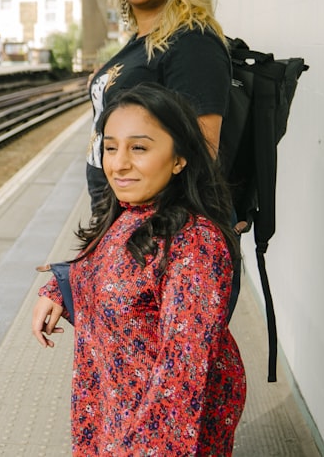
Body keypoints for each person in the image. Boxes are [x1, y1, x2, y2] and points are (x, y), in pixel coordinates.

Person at [32, 82, 245, 456]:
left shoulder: (194, 245)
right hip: (115, 412)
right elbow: (112, 277)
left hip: (151, 434)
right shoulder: (129, 216)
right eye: (111, 147)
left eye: (139, 148)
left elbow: (180, 379)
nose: (118, 163)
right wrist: (59, 288)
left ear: (180, 158)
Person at [86, 0, 230, 210]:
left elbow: (202, 152)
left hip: (155, 229)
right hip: (118, 219)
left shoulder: (192, 42)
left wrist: (146, 231)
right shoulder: (142, 40)